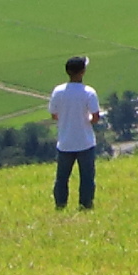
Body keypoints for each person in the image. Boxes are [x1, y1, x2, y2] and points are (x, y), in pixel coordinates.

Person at [49, 56, 105, 211]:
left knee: (62, 178)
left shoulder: (58, 91)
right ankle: (85, 205)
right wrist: (85, 119)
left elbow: (54, 114)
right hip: (85, 142)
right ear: (82, 72)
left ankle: (60, 205)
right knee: (87, 178)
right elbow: (95, 117)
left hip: (65, 142)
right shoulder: (89, 92)